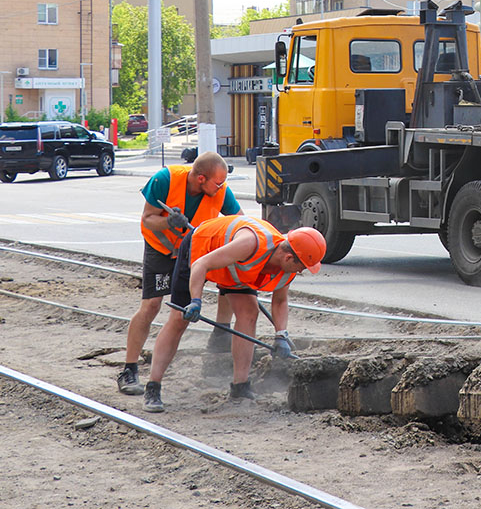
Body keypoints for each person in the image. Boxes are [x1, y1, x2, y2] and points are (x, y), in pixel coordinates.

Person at [143, 214, 325, 413]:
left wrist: (281, 334)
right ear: (289, 257)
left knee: (249, 313)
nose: (300, 272)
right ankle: (153, 386)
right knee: (179, 320)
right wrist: (196, 301)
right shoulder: (250, 244)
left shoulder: (286, 268)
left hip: (235, 270)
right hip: (200, 253)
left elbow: (280, 300)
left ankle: (240, 386)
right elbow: (201, 264)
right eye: (301, 267)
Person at [118, 152, 241, 396]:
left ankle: (221, 331)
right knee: (151, 305)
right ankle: (129, 370)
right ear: (200, 178)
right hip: (161, 249)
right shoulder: (165, 180)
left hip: (190, 254)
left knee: (226, 273)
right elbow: (148, 218)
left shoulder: (221, 191)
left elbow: (238, 220)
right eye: (217, 183)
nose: (221, 188)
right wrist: (168, 223)